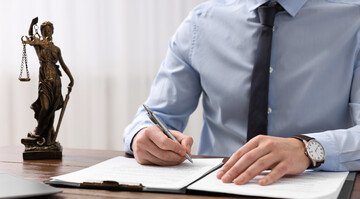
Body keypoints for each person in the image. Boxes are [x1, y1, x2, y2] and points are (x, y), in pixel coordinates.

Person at [123, 0, 360, 186]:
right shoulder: (200, 24)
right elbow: (158, 115)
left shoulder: (353, 20)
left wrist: (308, 149)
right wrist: (141, 135)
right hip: (214, 189)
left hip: (314, 190)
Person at [23, 21, 74, 146]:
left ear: (52, 31)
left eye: (48, 30)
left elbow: (63, 65)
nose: (46, 32)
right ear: (41, 32)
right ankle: (38, 132)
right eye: (44, 30)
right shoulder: (39, 45)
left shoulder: (56, 49)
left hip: (56, 82)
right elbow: (30, 37)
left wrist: (71, 79)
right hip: (44, 81)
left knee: (51, 111)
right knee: (45, 107)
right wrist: (31, 25)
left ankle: (48, 136)